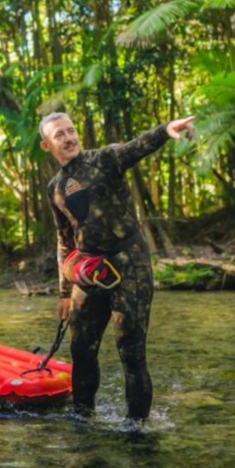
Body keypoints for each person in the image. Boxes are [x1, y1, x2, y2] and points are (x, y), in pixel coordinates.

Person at [40, 111, 195, 420]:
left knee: (131, 352)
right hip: (88, 269)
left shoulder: (105, 159)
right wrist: (63, 293)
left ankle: (136, 431)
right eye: (60, 135)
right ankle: (83, 420)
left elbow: (137, 146)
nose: (69, 138)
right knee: (81, 350)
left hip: (129, 264)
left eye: (71, 131)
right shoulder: (54, 188)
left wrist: (166, 129)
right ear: (47, 146)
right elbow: (64, 239)